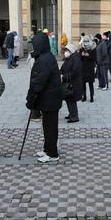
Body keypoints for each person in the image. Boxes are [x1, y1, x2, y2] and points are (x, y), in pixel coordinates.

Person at [26, 31, 63, 163]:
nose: (33, 48)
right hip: (50, 99)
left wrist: (30, 100)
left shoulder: (44, 60)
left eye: (34, 45)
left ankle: (53, 154)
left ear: (40, 45)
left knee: (50, 128)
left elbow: (37, 83)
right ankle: (47, 149)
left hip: (50, 100)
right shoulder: (46, 56)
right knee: (47, 127)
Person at [60, 44, 82, 123]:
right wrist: (60, 73)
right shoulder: (69, 58)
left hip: (73, 84)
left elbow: (75, 72)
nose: (65, 52)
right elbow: (63, 68)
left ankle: (74, 117)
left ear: (71, 51)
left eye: (67, 51)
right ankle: (71, 114)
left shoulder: (76, 59)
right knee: (68, 99)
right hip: (68, 83)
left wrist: (64, 76)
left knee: (71, 100)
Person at [80, 37, 97, 102]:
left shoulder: (93, 48)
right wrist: (81, 55)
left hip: (90, 68)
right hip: (83, 68)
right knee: (83, 84)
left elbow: (95, 58)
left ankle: (91, 97)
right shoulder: (82, 48)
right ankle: (84, 96)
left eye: (87, 41)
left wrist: (88, 55)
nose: (85, 42)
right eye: (84, 41)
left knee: (90, 84)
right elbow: (79, 57)